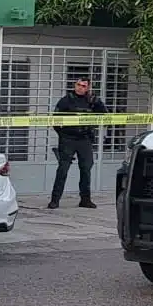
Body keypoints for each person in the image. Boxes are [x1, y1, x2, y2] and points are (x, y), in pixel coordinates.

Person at [49, 77, 107, 210]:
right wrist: (63, 136)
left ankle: (85, 200)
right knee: (63, 170)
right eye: (78, 85)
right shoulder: (66, 100)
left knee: (86, 169)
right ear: (75, 85)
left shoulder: (91, 100)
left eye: (83, 86)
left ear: (88, 88)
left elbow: (105, 115)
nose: (80, 88)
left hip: (85, 139)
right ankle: (55, 200)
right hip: (68, 138)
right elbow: (55, 120)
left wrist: (98, 103)